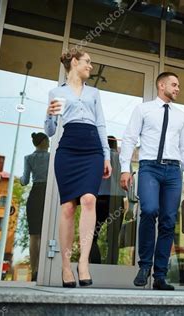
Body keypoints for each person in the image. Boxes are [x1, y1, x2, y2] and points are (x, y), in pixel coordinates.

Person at [120, 72, 184, 291]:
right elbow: (130, 138)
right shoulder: (143, 109)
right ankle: (144, 266)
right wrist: (126, 169)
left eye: (178, 85)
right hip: (149, 168)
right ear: (161, 85)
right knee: (150, 210)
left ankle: (160, 275)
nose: (178, 88)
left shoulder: (181, 116)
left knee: (169, 221)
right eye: (174, 84)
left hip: (173, 172)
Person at [45, 47, 112, 288]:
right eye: (87, 62)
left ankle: (83, 262)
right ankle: (65, 266)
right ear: (74, 62)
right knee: (67, 208)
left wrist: (106, 156)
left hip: (92, 147)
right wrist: (48, 115)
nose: (90, 66)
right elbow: (51, 130)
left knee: (89, 200)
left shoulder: (94, 92)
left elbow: (102, 125)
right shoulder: (56, 92)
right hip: (68, 148)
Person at [90, 136, 125, 264]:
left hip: (99, 200)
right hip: (117, 201)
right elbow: (129, 184)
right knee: (113, 238)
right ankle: (111, 266)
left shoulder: (100, 158)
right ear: (116, 144)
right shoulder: (122, 160)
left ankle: (94, 263)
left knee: (92, 236)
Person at [20, 132, 50, 282]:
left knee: (34, 235)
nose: (50, 142)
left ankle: (35, 271)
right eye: (48, 139)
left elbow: (24, 181)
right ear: (43, 141)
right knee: (47, 233)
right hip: (48, 194)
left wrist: (20, 180)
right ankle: (46, 270)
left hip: (35, 194)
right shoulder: (52, 157)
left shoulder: (28, 158)